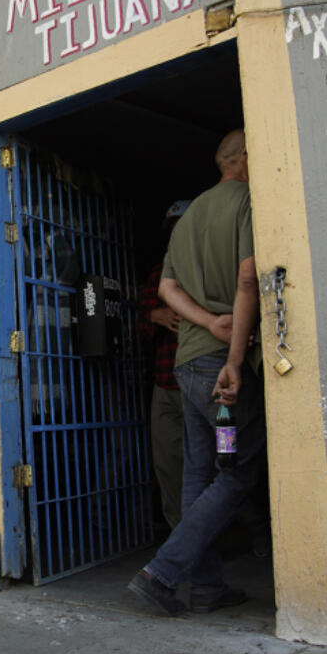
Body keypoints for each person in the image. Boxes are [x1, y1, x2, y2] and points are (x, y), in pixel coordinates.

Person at [127, 129, 265, 616]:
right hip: (219, 376)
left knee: (199, 475)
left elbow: (167, 290)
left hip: (188, 369)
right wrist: (231, 355)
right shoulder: (249, 199)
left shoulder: (187, 218)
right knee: (236, 471)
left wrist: (205, 322)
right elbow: (249, 278)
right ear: (247, 158)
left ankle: (205, 589)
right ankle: (161, 573)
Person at [136, 200, 192, 530]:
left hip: (206, 379)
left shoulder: (208, 265)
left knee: (219, 460)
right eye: (173, 230)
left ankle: (244, 529)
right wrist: (154, 316)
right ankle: (180, 537)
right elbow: (141, 326)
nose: (177, 235)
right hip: (166, 383)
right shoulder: (159, 273)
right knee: (169, 465)